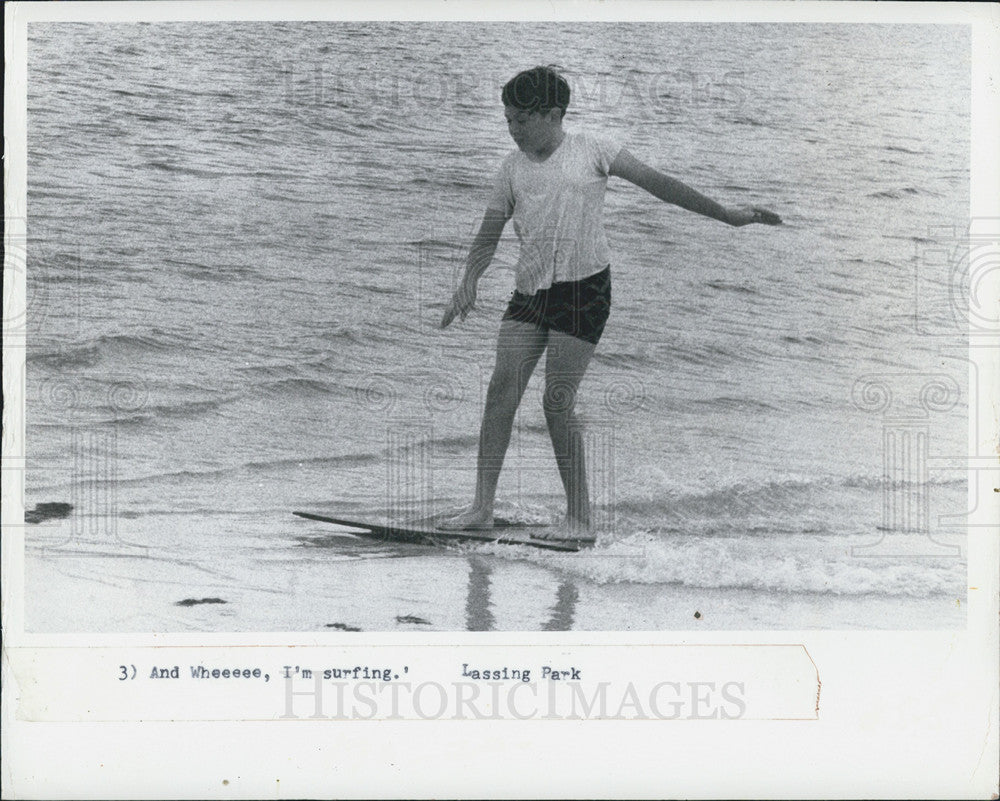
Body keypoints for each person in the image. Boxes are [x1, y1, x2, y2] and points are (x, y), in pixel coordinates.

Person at [439, 65, 781, 543]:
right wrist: (468, 282)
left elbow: (661, 184)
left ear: (553, 114)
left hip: (584, 291)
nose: (513, 129)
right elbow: (487, 235)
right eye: (508, 120)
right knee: (500, 394)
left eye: (522, 120)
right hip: (530, 292)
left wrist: (725, 215)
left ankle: (579, 518)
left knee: (556, 403)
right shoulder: (510, 169)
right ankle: (481, 508)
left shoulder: (593, 150)